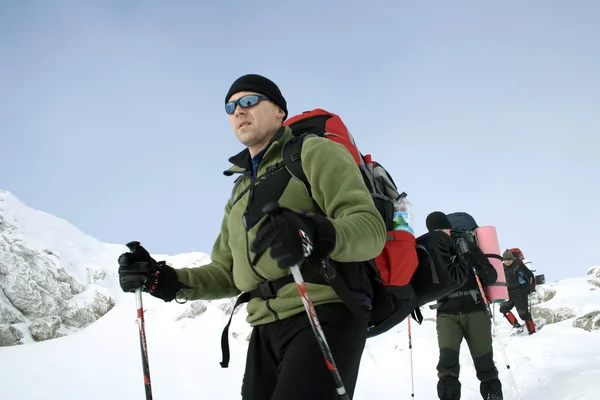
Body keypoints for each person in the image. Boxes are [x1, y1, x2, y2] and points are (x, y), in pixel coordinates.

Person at [117, 73, 386, 400]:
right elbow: (227, 273)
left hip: (323, 311)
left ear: (279, 111)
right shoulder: (240, 191)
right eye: (231, 107)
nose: (238, 111)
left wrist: (314, 233)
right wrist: (166, 279)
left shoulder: (313, 153)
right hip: (264, 329)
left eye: (249, 101)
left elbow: (370, 230)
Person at [426, 211, 504, 400]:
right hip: (447, 314)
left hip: (475, 310)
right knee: (446, 366)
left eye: (443, 229)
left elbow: (491, 276)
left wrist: (472, 256)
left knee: (484, 364)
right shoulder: (430, 250)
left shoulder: (466, 245)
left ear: (450, 228)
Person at [499, 250, 536, 334]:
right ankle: (516, 325)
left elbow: (530, 275)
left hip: (520, 292)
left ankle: (532, 331)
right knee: (503, 309)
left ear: (512, 259)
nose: (507, 261)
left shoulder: (519, 266)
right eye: (505, 260)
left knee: (523, 314)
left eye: (509, 259)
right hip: (508, 293)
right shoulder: (501, 268)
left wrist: (530, 286)